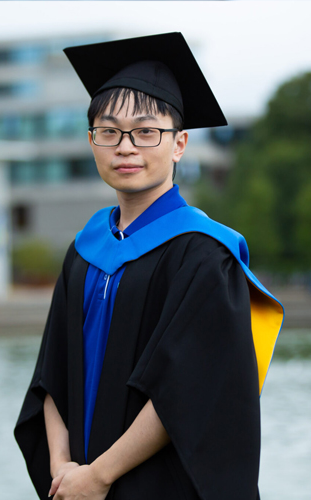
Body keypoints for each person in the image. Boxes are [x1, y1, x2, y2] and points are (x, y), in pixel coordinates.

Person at [14, 32, 284, 500]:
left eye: (145, 131)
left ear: (179, 144)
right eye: (109, 131)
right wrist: (62, 469)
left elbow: (190, 392)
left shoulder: (203, 254)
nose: (125, 147)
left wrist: (99, 476)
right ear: (92, 140)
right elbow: (52, 372)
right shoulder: (85, 248)